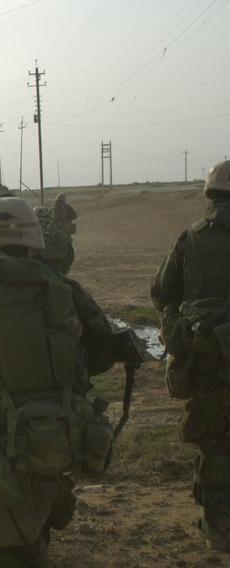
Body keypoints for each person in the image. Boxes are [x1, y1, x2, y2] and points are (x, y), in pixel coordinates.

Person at [0, 197, 127, 567]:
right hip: (55, 440)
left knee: (7, 549)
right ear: (35, 240)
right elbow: (101, 353)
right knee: (32, 526)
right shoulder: (67, 293)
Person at [151, 160, 230, 552]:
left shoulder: (191, 238)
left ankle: (219, 530)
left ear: (209, 195)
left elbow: (163, 293)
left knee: (214, 445)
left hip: (210, 363)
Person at [32, 205, 75, 274]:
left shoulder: (31, 238)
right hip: (57, 275)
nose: (40, 223)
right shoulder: (62, 236)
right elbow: (70, 256)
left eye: (41, 220)